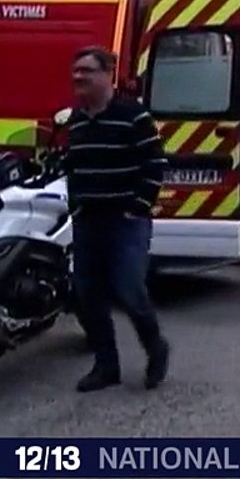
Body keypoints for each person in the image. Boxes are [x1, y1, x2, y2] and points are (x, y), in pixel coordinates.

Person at [63, 46, 170, 393]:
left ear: (108, 74)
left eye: (86, 70)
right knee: (87, 296)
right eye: (75, 70)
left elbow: (155, 164)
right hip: (88, 222)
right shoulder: (76, 121)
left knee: (129, 289)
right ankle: (106, 366)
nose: (78, 76)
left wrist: (138, 205)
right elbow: (73, 168)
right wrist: (76, 205)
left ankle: (156, 349)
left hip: (125, 222)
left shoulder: (133, 117)